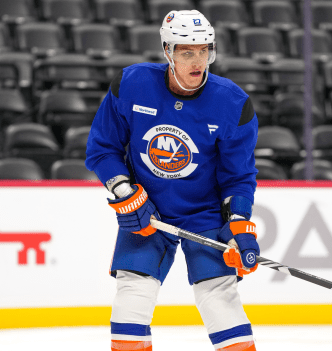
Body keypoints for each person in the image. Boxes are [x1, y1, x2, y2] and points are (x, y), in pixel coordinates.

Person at [86, 9, 260, 351]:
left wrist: (239, 222)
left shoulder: (233, 103)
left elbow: (239, 177)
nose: (198, 61)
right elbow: (102, 149)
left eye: (204, 50)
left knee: (219, 296)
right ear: (168, 51)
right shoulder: (132, 84)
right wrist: (124, 192)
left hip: (205, 214)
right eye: (187, 52)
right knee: (132, 294)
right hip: (147, 209)